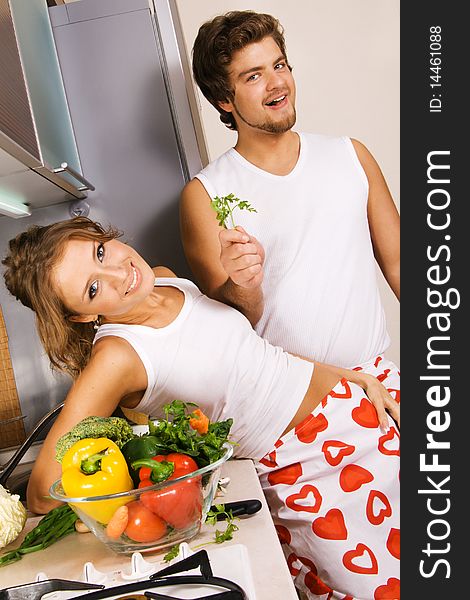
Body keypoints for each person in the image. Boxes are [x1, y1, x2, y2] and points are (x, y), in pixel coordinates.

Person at [3, 217, 399, 599]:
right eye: (93, 288)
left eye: (101, 252)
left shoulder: (161, 276)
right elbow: (42, 492)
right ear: (81, 316)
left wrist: (348, 376)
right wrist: (117, 504)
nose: (120, 274)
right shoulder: (116, 357)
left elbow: (251, 356)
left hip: (357, 415)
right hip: (309, 471)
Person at [180, 11, 400, 375]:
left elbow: (399, 264)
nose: (276, 83)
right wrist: (242, 285)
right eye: (254, 76)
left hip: (377, 382)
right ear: (224, 100)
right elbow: (228, 329)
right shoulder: (205, 195)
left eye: (279, 66)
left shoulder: (351, 155)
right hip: (290, 405)